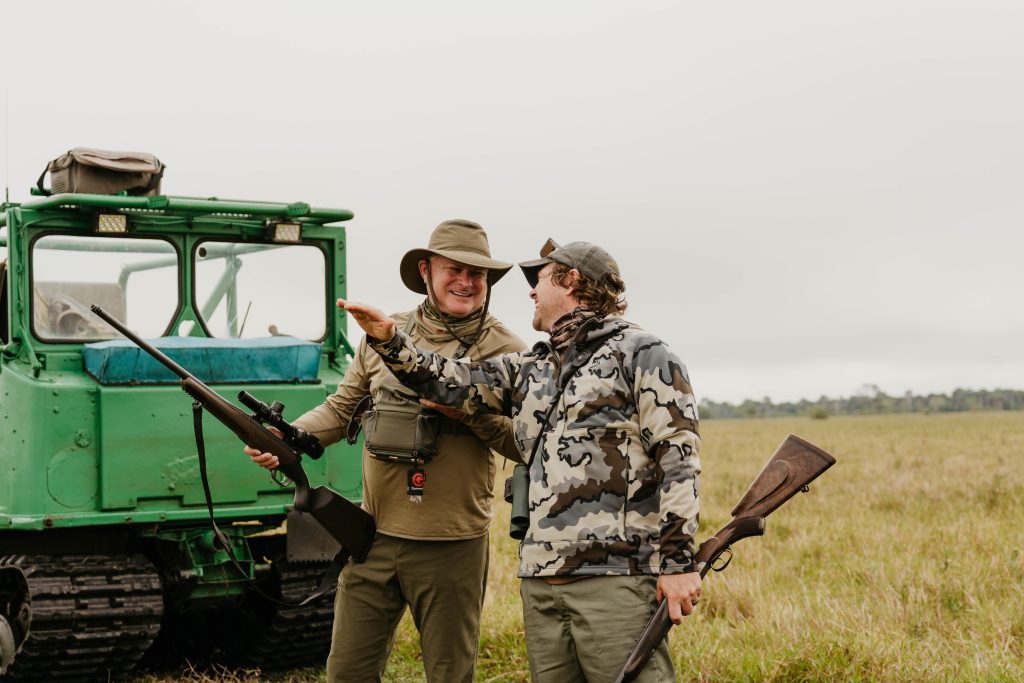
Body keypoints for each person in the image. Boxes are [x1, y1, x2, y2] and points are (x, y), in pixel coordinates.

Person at [340, 238, 702, 683]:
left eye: (540, 279)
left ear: (571, 281)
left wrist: (679, 564)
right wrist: (390, 340)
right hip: (542, 580)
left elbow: (679, 460)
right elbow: (447, 380)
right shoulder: (534, 366)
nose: (530, 291)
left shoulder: (643, 355)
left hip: (615, 578)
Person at [247, 219, 526, 683]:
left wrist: (468, 413)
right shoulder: (383, 334)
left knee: (449, 674)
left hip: (451, 545)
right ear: (426, 271)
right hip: (372, 537)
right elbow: (340, 410)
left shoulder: (507, 349)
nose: (466, 281)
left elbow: (527, 441)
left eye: (477, 273)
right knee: (347, 672)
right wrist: (286, 437)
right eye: (453, 269)